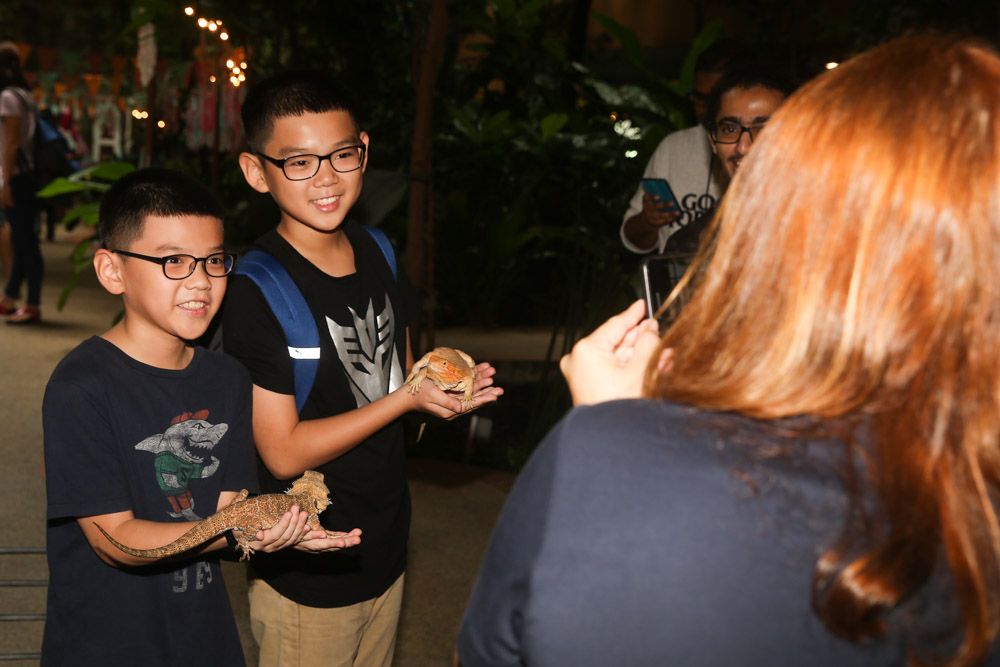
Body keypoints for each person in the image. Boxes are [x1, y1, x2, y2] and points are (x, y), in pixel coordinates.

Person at [458, 34, 1000, 667]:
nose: (746, 148)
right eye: (731, 130)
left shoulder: (612, 451)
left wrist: (616, 439)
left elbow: (495, 648)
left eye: (769, 135)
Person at [224, 71, 503, 666]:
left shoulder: (378, 250)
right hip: (309, 556)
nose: (326, 178)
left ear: (365, 151)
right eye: (298, 162)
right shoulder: (256, 289)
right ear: (257, 172)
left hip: (385, 535)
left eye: (342, 155)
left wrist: (441, 393)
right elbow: (281, 451)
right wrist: (405, 401)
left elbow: (399, 380)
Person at [41, 168, 361, 666]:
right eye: (173, 261)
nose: (201, 282)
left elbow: (230, 503)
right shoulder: (80, 386)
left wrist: (271, 530)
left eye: (213, 261)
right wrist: (237, 525)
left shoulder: (228, 378)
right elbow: (117, 542)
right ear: (112, 271)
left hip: (203, 636)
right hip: (105, 642)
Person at [619, 42, 734, 254]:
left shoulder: (758, 151)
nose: (708, 108)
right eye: (700, 98)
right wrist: (648, 220)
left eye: (716, 99)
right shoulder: (674, 147)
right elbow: (631, 238)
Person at [665, 66, 792, 254]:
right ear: (712, 142)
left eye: (763, 129)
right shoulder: (692, 246)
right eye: (730, 129)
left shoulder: (835, 229)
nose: (743, 146)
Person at [0, 41, 41, 323]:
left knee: (25, 240)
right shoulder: (24, 95)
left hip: (16, 176)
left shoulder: (8, 98)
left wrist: (5, 182)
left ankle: (33, 303)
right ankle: (10, 296)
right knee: (20, 235)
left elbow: (12, 143)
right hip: (26, 175)